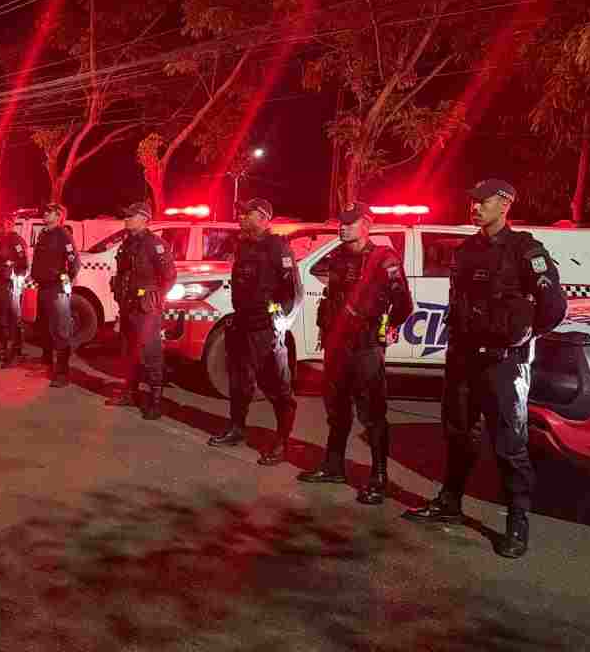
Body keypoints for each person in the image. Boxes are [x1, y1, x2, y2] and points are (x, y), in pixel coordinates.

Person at [403, 179, 567, 558]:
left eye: (483, 201)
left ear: (505, 205)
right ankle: (450, 501)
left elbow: (553, 307)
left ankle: (517, 520)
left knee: (509, 445)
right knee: (458, 434)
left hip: (503, 363)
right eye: (472, 201)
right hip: (463, 359)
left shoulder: (526, 250)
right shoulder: (467, 250)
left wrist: (522, 337)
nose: (475, 207)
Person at [298, 202, 413, 504]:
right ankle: (333, 466)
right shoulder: (337, 257)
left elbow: (404, 304)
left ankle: (379, 477)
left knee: (372, 415)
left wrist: (389, 326)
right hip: (337, 346)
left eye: (350, 222)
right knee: (336, 410)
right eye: (342, 222)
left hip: (366, 346)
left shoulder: (384, 260)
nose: (343, 227)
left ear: (367, 225)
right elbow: (331, 298)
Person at [209, 198, 302, 466]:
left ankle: (282, 441)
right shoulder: (244, 246)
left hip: (265, 329)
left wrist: (279, 323)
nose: (240, 217)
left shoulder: (277, 247)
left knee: (276, 387)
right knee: (239, 383)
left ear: (262, 217)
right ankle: (237, 429)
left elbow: (294, 293)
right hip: (242, 324)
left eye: (246, 214)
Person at [106, 202, 177, 419]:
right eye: (126, 216)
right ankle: (130, 393)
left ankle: (155, 401)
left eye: (131, 216)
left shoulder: (155, 245)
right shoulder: (128, 243)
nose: (126, 219)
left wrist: (155, 298)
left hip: (146, 308)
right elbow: (123, 274)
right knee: (129, 351)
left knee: (151, 353)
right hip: (128, 305)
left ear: (144, 219)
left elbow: (169, 277)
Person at [30, 203, 81, 387]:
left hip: (56, 288)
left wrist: (67, 281)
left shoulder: (63, 235)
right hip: (43, 286)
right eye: (44, 211)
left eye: (49, 212)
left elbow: (74, 262)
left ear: (59, 216)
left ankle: (62, 373)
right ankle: (47, 364)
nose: (45, 214)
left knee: (61, 330)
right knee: (44, 327)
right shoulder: (44, 234)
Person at [0, 211, 29, 367]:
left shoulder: (16, 240)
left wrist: (13, 272)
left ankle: (16, 352)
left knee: (12, 318)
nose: (2, 226)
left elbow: (23, 263)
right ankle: (1, 350)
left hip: (9, 283)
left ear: (11, 224)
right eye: (0, 223)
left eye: (5, 223)